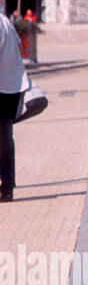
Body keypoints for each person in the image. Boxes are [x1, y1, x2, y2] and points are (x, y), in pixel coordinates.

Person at [0, 12, 24, 202]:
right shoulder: (5, 21)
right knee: (5, 137)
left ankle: (6, 185)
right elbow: (19, 46)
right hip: (12, 86)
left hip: (3, 87)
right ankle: (7, 185)